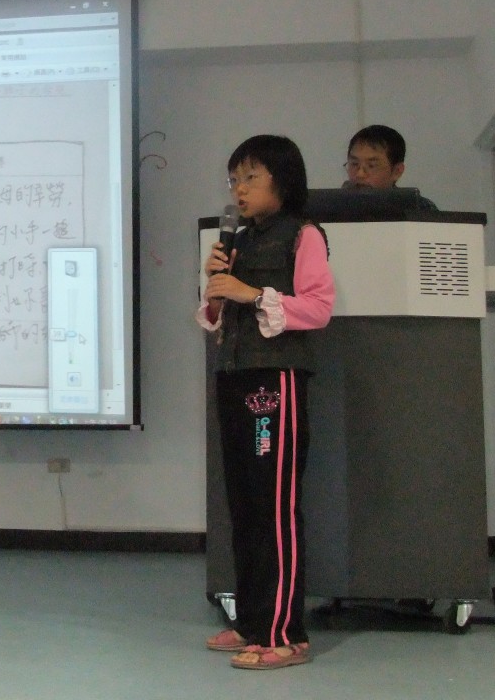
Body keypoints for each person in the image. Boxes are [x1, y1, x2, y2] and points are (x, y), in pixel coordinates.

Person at [196, 134, 335, 670]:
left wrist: (250, 293)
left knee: (274, 507)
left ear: (283, 179)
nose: (239, 189)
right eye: (234, 179)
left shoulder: (305, 234)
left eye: (251, 177)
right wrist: (214, 287)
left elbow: (318, 308)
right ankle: (253, 622)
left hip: (275, 380)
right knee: (245, 504)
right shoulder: (239, 241)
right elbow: (216, 317)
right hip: (234, 374)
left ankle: (283, 633)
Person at [343, 124, 437, 209]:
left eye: (371, 166)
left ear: (397, 171)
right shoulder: (338, 206)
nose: (360, 174)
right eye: (354, 164)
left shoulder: (420, 208)